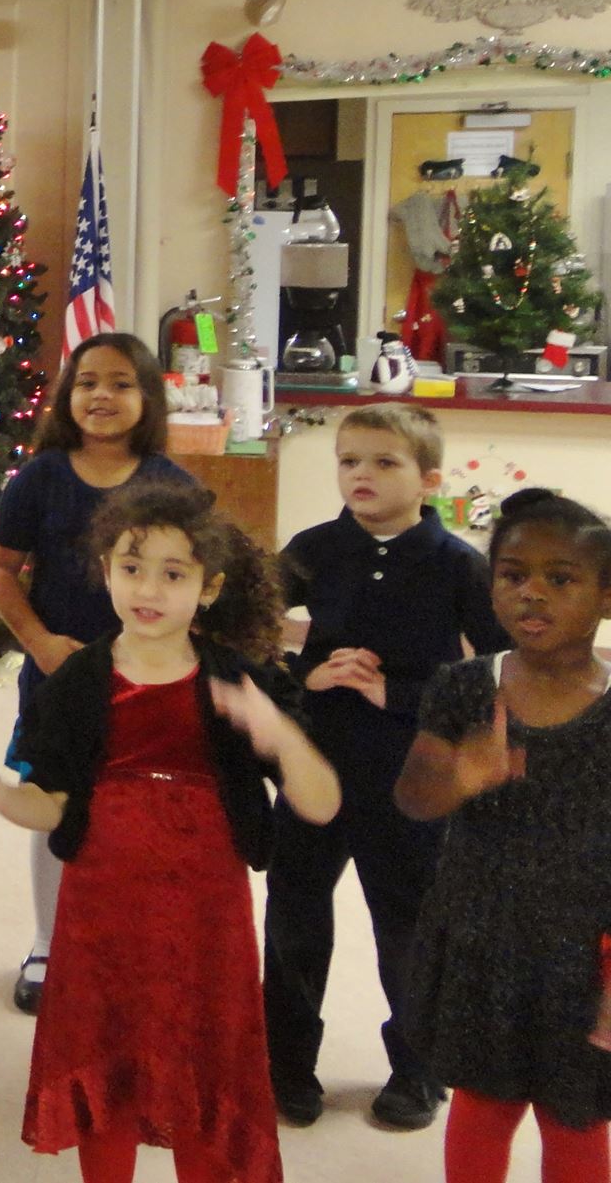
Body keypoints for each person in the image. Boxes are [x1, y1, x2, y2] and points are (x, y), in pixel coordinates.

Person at [0, 481, 339, 1183]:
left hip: (205, 913)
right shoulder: (78, 680)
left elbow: (321, 803)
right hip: (102, 909)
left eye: (173, 574)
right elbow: (51, 805)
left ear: (209, 588)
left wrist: (279, 734)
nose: (148, 588)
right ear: (106, 571)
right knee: (107, 1055)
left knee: (202, 1054)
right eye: (132, 567)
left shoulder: (239, 682)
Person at [264, 403, 510, 1130]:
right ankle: (286, 1062)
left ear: (429, 479)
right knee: (295, 914)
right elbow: (240, 622)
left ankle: (417, 1068)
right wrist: (302, 676)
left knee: (409, 924)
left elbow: (496, 669)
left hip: (409, 771)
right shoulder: (314, 548)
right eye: (348, 461)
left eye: (383, 462)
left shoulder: (458, 564)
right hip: (316, 761)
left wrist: (397, 693)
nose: (360, 475)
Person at [394, 488, 611, 1183]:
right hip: (481, 939)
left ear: (606, 596)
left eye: (561, 578)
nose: (532, 592)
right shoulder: (463, 687)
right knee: (482, 1104)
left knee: (576, 1115)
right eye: (513, 575)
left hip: (587, 954)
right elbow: (412, 798)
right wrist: (462, 777)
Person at [0, 331, 194, 1013]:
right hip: (59, 676)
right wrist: (39, 642)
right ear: (66, 395)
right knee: (56, 803)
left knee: (137, 811)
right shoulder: (39, 478)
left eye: (121, 383)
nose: (102, 395)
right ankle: (48, 942)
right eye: (88, 382)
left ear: (148, 396)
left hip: (148, 681)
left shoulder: (173, 485)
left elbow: (200, 578)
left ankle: (135, 941)